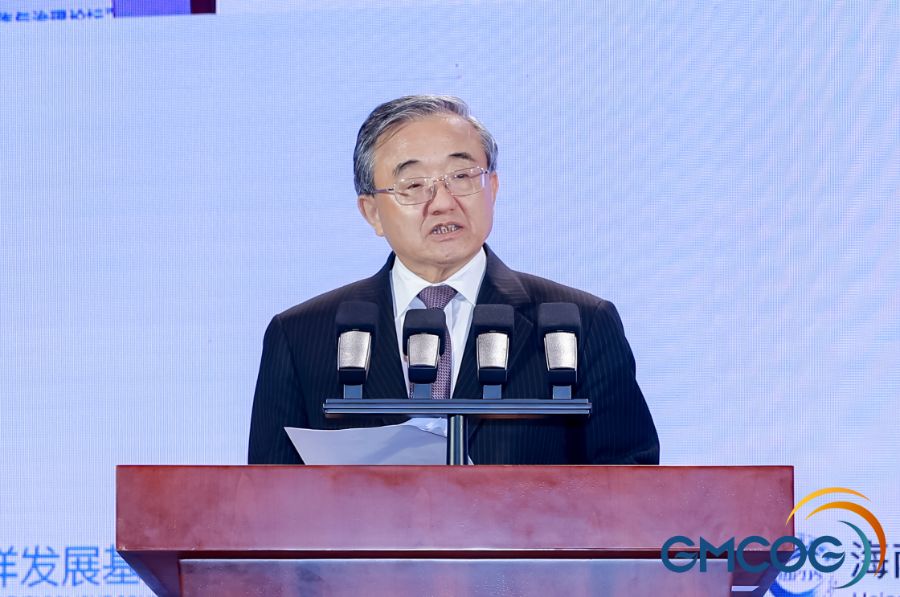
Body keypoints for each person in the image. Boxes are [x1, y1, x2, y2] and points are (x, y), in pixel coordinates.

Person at [248, 95, 659, 465]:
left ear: (492, 187)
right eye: (413, 185)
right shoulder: (301, 335)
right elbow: (264, 499)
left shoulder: (580, 324)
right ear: (371, 211)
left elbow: (631, 486)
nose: (443, 202)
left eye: (462, 176)